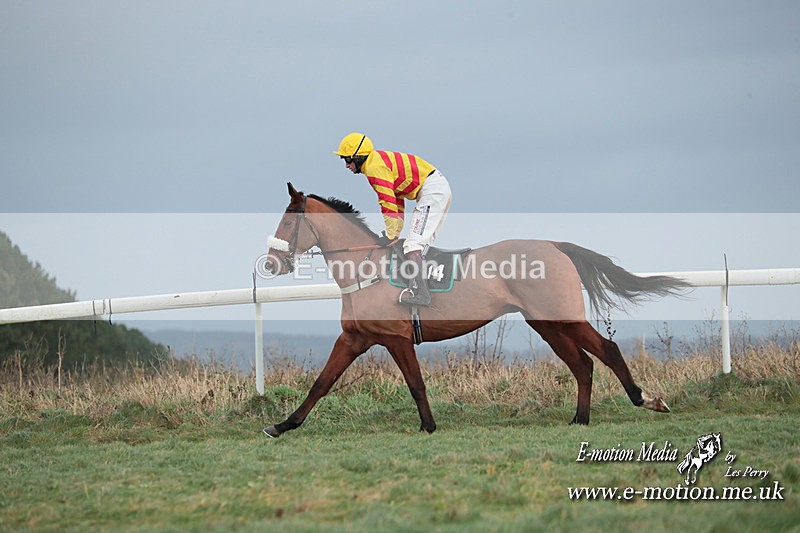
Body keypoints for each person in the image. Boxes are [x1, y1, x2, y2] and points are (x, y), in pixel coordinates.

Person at [333, 132, 452, 306]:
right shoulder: (374, 163)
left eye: (347, 160)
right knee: (418, 245)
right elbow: (397, 200)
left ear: (358, 157)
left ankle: (423, 294)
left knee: (413, 245)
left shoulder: (374, 168)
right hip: (435, 188)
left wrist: (390, 235)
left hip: (432, 191)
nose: (346, 166)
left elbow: (387, 203)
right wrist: (394, 234)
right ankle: (424, 284)